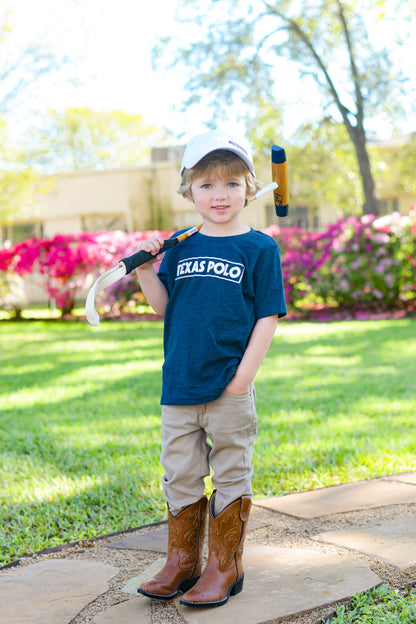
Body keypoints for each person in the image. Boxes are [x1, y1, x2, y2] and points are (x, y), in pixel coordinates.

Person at [136, 130, 286, 608]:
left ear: (249, 188)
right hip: (179, 383)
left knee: (230, 472)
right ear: (188, 192)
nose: (219, 194)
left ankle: (225, 566)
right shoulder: (180, 247)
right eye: (206, 184)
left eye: (231, 183)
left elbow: (267, 316)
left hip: (229, 389)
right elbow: (165, 308)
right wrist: (145, 272)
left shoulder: (259, 249)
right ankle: (182, 562)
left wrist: (242, 381)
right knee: (179, 473)